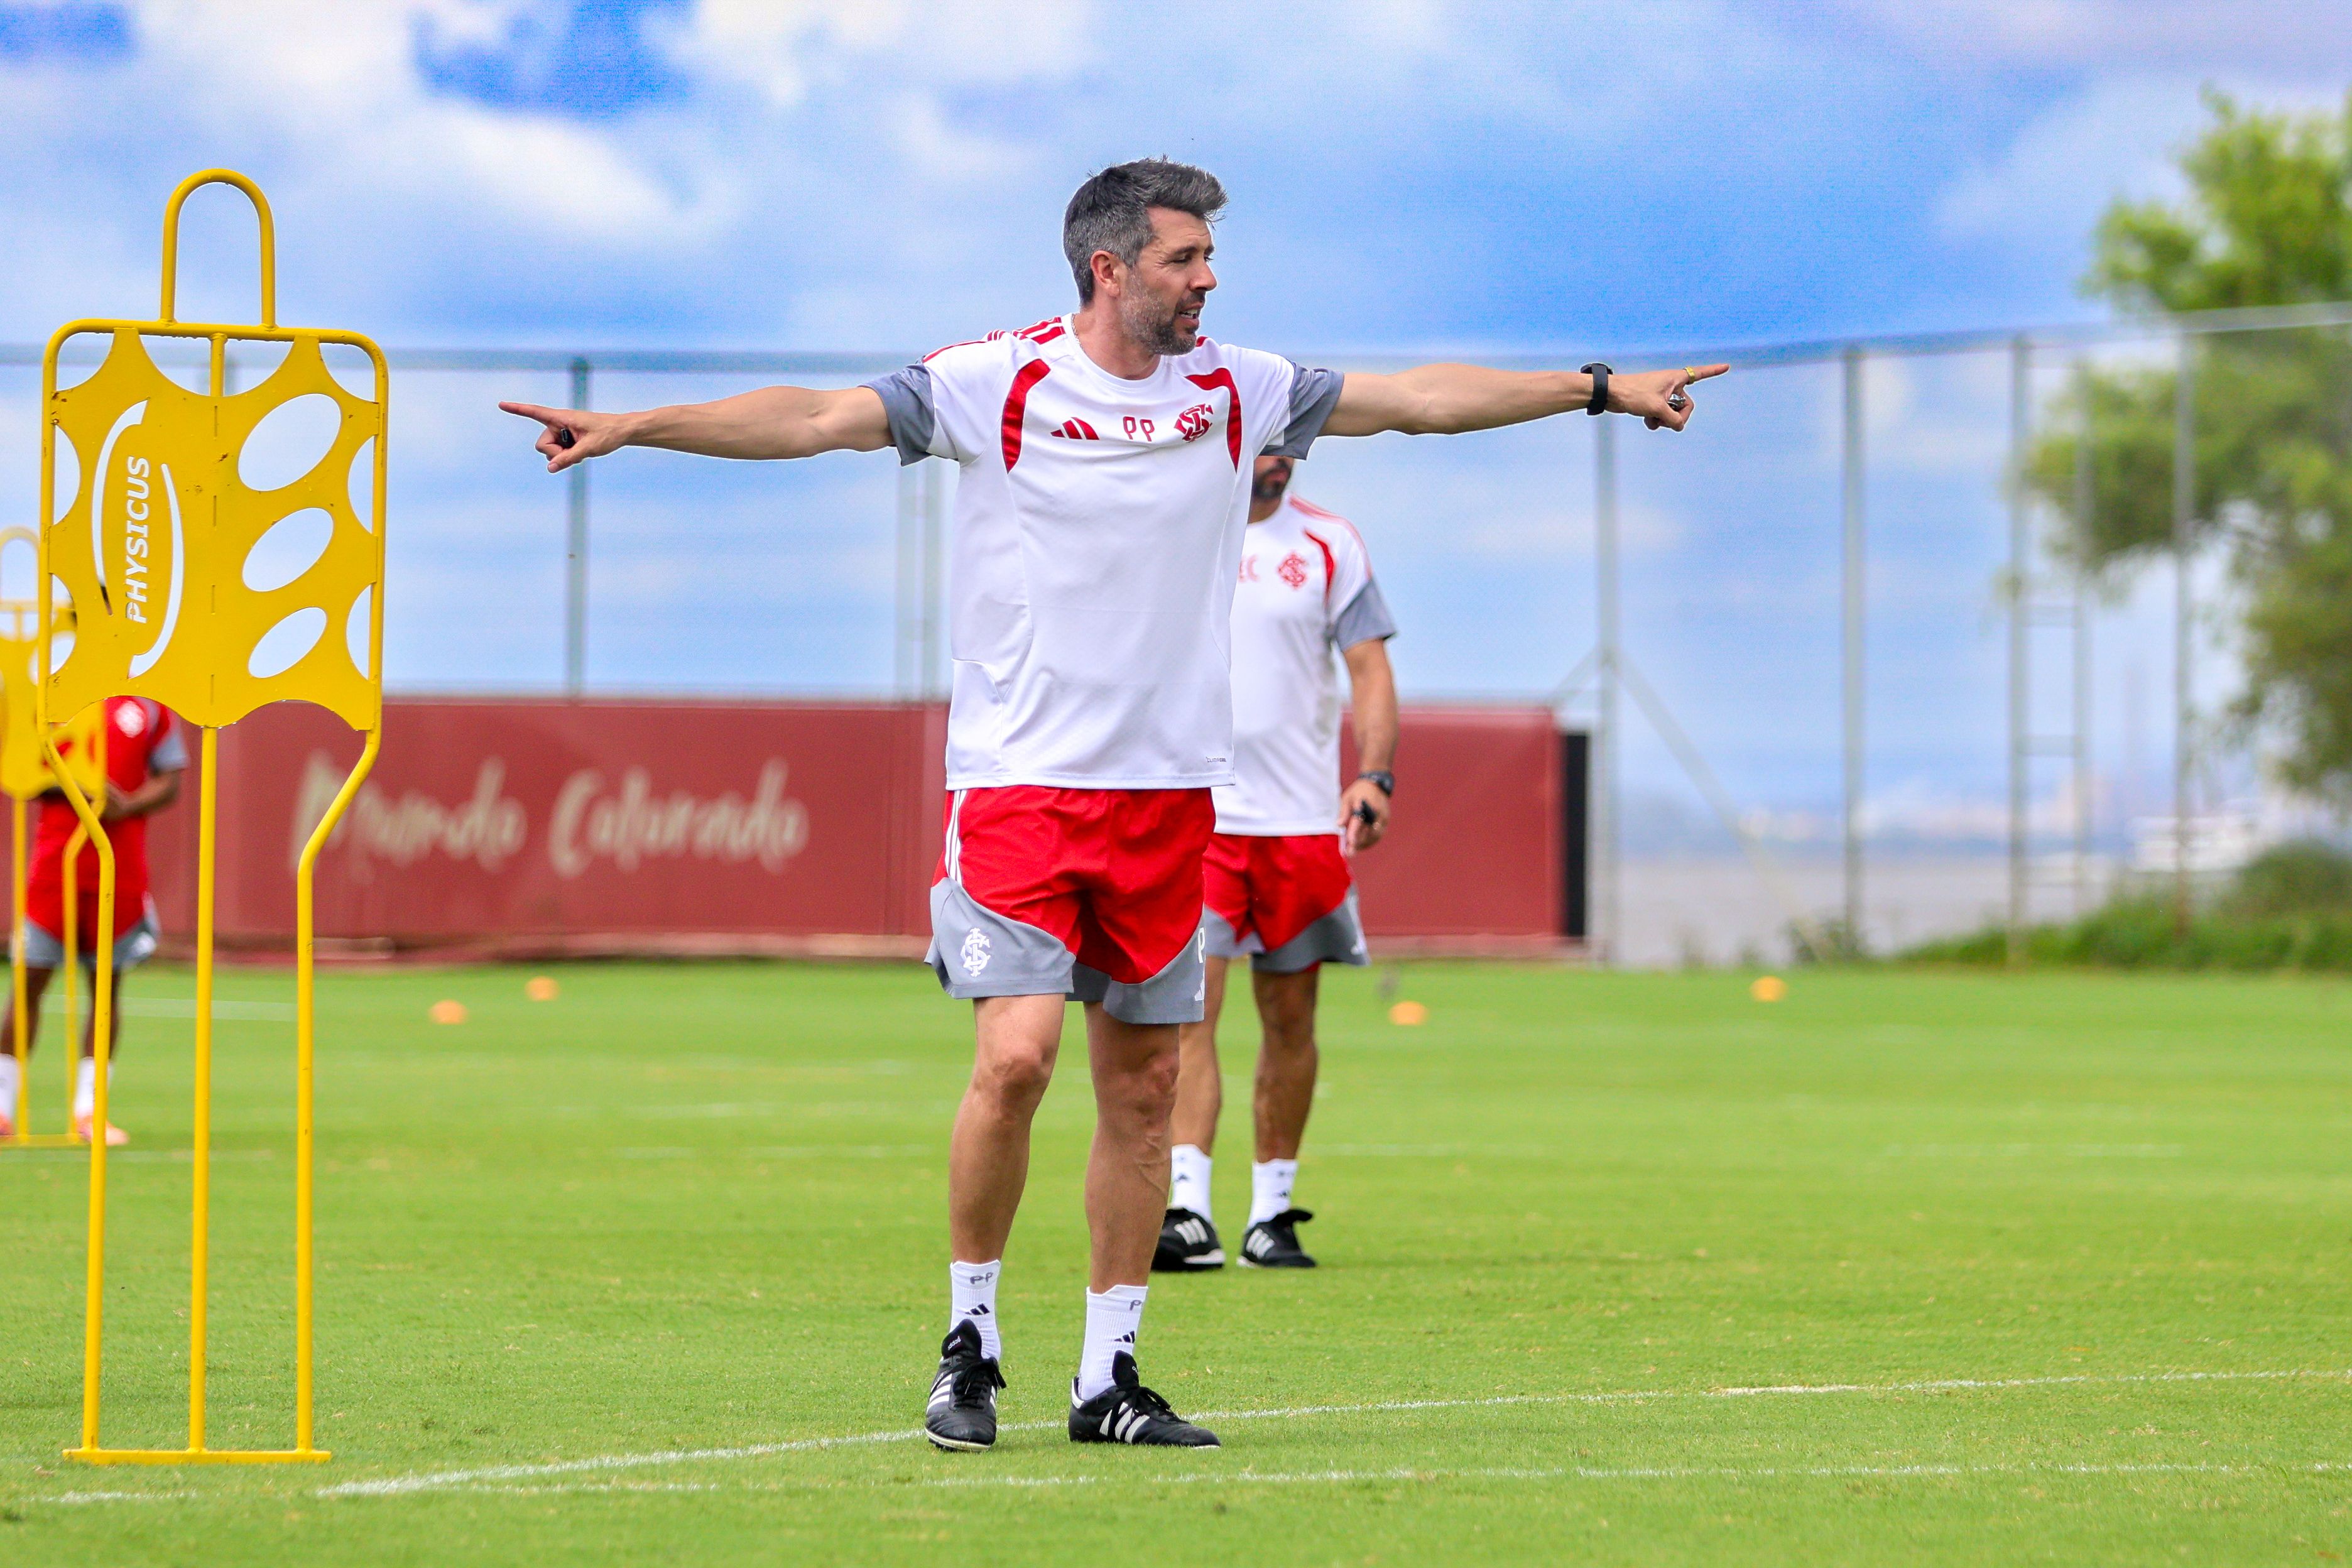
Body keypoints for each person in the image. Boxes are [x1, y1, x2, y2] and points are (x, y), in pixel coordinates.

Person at [500, 158, 1723, 1453]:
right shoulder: (996, 381)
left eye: (1208, 261)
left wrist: (1598, 390)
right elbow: (811, 418)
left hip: (1171, 803)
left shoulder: (1241, 387)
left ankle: (1110, 1377)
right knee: (1016, 1058)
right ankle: (969, 1337)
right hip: (1022, 792)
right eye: (1187, 261)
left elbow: (1420, 399)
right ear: (1111, 269)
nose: (1209, 282)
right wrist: (640, 425)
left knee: (1145, 1093)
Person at [1156, 456, 1394, 1274]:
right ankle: (1188, 1209)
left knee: (1292, 1023)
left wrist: (1375, 775)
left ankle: (1270, 1214)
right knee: (1193, 1014)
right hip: (1204, 819)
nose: (1277, 458)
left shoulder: (1330, 543)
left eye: (1291, 441)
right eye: (1264, 440)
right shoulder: (1186, 532)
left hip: (1301, 825)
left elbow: (1369, 669)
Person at [0, 696, 187, 1145]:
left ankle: (91, 1111)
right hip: (56, 859)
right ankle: (2, 1107)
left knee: (107, 986)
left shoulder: (149, 707)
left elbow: (171, 781)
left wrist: (127, 803)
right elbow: (22, 771)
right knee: (29, 982)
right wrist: (72, 787)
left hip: (119, 862)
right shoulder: (49, 694)